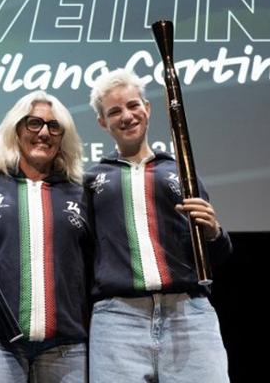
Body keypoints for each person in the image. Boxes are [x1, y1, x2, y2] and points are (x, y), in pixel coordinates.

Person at [85, 68, 233, 383]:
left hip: (189, 314)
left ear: (147, 108)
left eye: (133, 105)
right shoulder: (91, 180)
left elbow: (218, 254)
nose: (126, 115)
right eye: (114, 111)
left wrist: (214, 232)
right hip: (117, 320)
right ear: (103, 123)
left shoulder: (182, 172)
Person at [0, 91, 90, 383]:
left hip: (66, 348)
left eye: (53, 126)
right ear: (17, 129)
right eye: (34, 123)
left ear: (63, 137)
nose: (44, 132)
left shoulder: (81, 190)